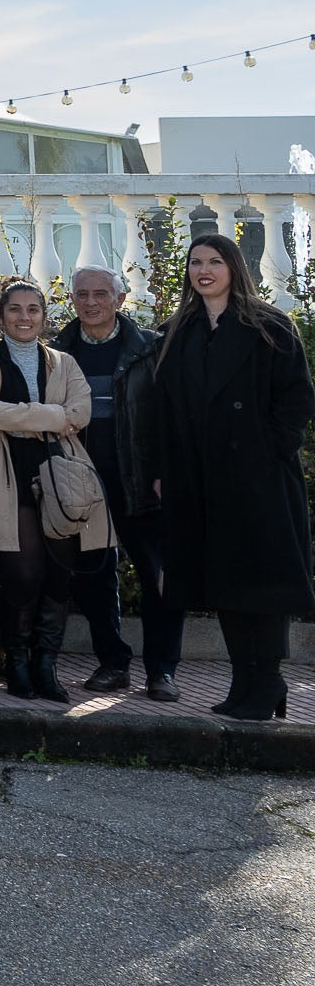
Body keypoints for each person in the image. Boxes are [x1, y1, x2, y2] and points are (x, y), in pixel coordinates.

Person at [145, 233, 315, 722]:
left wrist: (268, 453)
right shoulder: (177, 330)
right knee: (224, 581)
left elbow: (297, 399)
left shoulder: (270, 326)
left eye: (215, 261)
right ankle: (245, 680)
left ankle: (268, 680)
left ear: (233, 267)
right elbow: (164, 409)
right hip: (199, 479)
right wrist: (162, 471)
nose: (204, 270)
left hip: (258, 479)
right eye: (196, 262)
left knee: (264, 580)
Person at [0, 276, 103, 704]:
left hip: (61, 475)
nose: (24, 318)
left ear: (44, 315)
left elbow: (82, 410)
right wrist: (51, 415)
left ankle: (47, 664)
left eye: (33, 310)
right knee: (22, 574)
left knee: (60, 575)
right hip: (6, 475)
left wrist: (25, 415)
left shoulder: (65, 362)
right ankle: (18, 663)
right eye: (14, 310)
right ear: (0, 316)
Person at [56, 266, 179, 698]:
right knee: (93, 576)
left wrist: (167, 471)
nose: (91, 303)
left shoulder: (152, 349)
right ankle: (113, 662)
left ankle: (162, 670)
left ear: (121, 299)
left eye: (101, 294)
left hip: (143, 481)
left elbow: (173, 418)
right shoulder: (57, 350)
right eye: (82, 294)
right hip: (83, 485)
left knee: (158, 577)